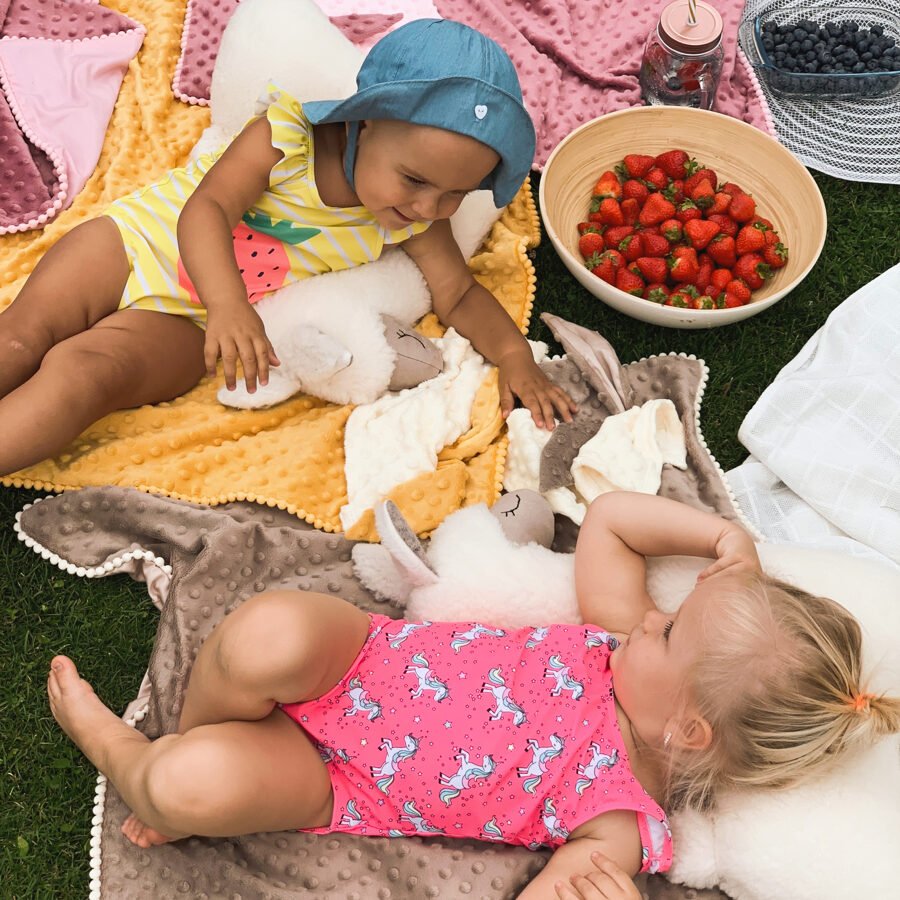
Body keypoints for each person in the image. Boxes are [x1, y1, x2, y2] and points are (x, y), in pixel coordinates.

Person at [47, 492, 900, 898]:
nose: (651, 623)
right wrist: (726, 538)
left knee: (183, 786)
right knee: (269, 632)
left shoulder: (623, 816)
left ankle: (132, 760)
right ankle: (199, 729)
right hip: (359, 661)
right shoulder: (616, 639)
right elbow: (609, 521)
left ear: (689, 727)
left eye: (671, 634)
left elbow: (556, 891)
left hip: (336, 781)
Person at [0, 19, 576, 477]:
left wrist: (515, 357)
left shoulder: (412, 222)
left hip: (187, 319)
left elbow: (458, 292)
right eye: (416, 180)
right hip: (137, 242)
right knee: (22, 336)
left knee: (85, 376)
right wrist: (231, 305)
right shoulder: (286, 135)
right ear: (364, 122)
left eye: (456, 195)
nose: (430, 207)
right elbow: (208, 209)